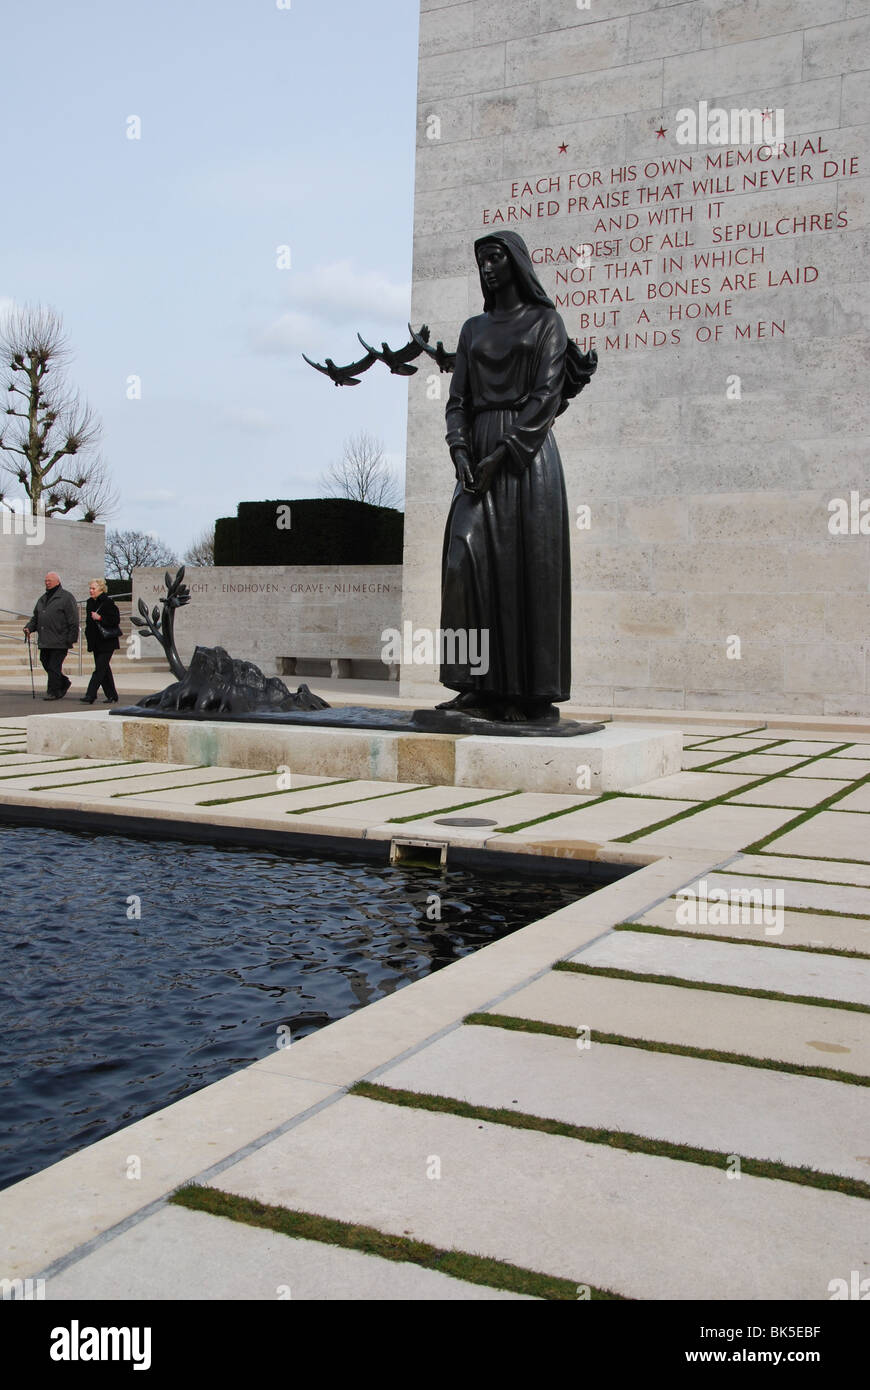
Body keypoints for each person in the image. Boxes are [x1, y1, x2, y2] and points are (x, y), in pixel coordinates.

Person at [438, 229, 594, 723]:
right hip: (478, 452)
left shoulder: (546, 321)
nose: (487, 266)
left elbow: (546, 396)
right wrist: (461, 450)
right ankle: (472, 682)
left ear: (516, 264)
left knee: (526, 572)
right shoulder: (472, 329)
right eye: (481, 259)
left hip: (526, 459)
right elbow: (458, 400)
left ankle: (525, 693)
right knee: (462, 558)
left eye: (496, 257)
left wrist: (501, 454)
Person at [23, 572, 80, 701]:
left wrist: (71, 638)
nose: (47, 582)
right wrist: (29, 627)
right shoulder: (42, 599)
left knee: (54, 666)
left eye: (49, 580)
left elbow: (73, 620)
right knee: (45, 662)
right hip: (45, 640)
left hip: (60, 639)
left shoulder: (66, 597)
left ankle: (53, 692)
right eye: (46, 580)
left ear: (57, 582)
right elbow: (36, 618)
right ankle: (63, 682)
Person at [81, 578, 121, 705]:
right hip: (95, 641)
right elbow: (89, 623)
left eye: (93, 588)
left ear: (101, 589)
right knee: (104, 670)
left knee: (99, 669)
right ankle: (112, 695)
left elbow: (115, 620)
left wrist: (100, 618)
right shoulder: (89, 602)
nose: (91, 591)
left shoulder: (108, 602)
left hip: (107, 641)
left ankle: (90, 695)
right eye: (90, 588)